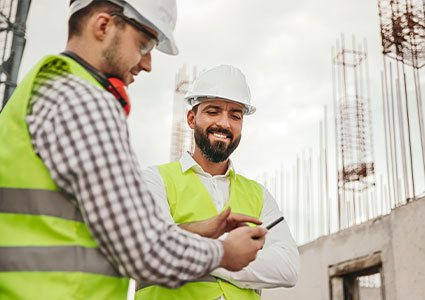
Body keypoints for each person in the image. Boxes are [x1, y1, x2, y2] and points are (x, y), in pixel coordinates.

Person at [0, 2, 267, 299]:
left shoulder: (44, 86)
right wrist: (223, 252)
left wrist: (198, 231)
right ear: (103, 26)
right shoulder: (84, 101)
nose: (147, 63)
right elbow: (140, 247)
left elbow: (105, 230)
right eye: (144, 45)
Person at [136, 65, 300, 300]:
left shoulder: (259, 195)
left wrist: (187, 245)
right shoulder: (153, 181)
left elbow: (288, 268)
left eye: (235, 115)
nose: (224, 123)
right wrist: (230, 252)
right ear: (192, 119)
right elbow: (153, 248)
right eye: (213, 111)